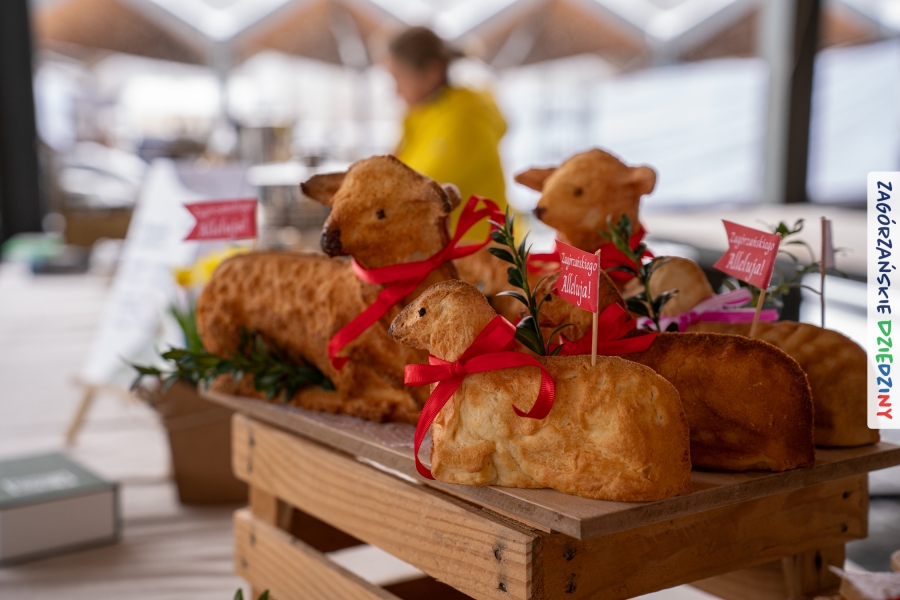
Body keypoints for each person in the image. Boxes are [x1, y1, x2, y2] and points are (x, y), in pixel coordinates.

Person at [387, 27, 508, 241]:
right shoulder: (421, 116)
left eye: (399, 78)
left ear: (433, 73)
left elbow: (419, 194)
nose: (395, 91)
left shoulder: (465, 118)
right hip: (446, 247)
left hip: (480, 249)